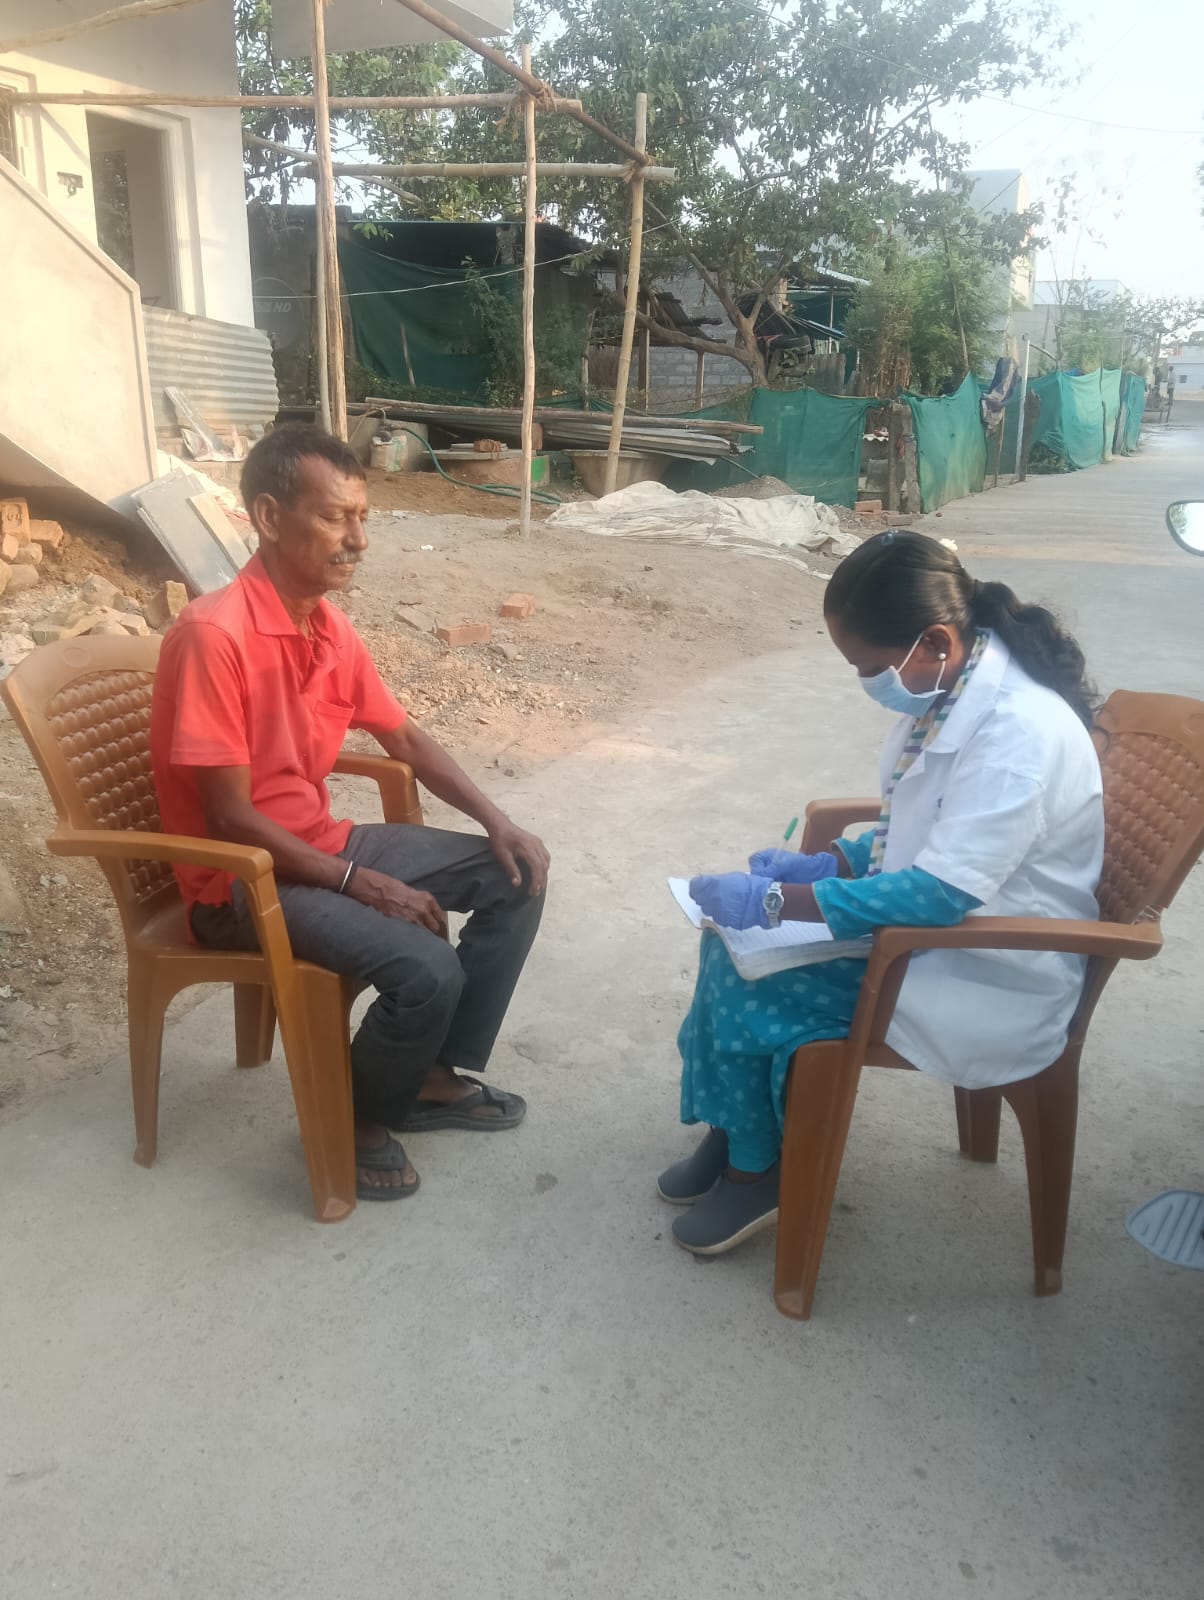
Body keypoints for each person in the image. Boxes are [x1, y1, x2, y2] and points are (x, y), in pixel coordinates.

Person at [659, 530, 1104, 1256]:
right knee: (724, 945)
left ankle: (758, 1170)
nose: (868, 681)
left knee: (750, 976)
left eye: (870, 666)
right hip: (940, 928)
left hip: (986, 963)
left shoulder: (1018, 735)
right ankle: (738, 1127)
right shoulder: (954, 686)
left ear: (934, 640)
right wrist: (831, 861)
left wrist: (775, 903)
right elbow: (922, 825)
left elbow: (940, 892)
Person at [149, 425, 550, 1204]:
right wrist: (360, 882)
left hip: (321, 847)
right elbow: (229, 817)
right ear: (270, 517)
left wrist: (496, 819)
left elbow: (403, 736)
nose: (358, 539)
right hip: (239, 884)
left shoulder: (328, 628)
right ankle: (354, 1119)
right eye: (336, 517)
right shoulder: (213, 636)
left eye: (363, 517)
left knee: (517, 874)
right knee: (426, 966)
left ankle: (426, 1073)